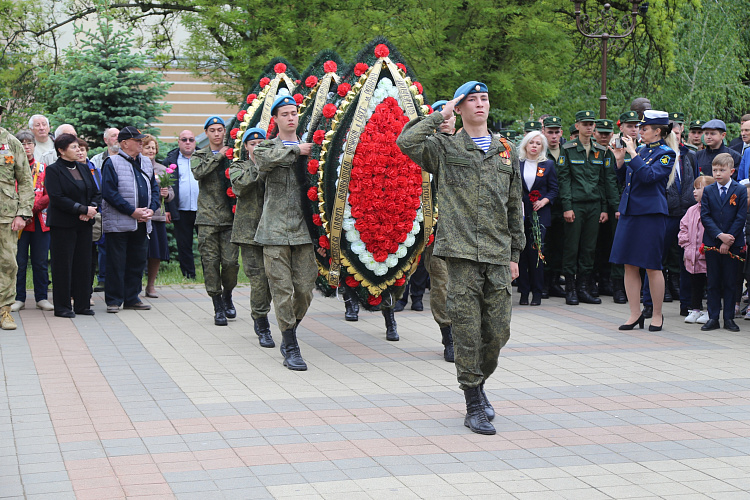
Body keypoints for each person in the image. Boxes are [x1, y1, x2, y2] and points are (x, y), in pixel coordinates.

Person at [397, 81, 525, 435]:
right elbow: (405, 142)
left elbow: (516, 204)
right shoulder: (444, 147)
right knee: (467, 331)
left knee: (497, 331)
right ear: (461, 107)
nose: (480, 104)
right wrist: (442, 112)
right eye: (472, 100)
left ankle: (479, 384)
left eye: (485, 98)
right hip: (460, 253)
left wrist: (516, 252)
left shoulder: (505, 149)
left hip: (498, 253)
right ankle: (473, 401)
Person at [254, 96, 317, 371]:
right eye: (285, 114)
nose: (291, 118)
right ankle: (290, 345)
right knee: (281, 290)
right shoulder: (267, 146)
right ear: (276, 119)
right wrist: (296, 152)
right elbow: (263, 160)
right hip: (275, 230)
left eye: (294, 113)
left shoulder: (312, 146)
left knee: (304, 289)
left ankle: (290, 327)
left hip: (303, 231)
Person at [610, 110, 676, 332]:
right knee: (629, 264)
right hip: (630, 212)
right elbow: (626, 180)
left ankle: (656, 314)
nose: (639, 132)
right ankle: (634, 313)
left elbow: (649, 177)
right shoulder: (639, 150)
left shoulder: (667, 153)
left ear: (658, 131)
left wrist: (632, 155)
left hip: (650, 215)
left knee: (651, 266)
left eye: (644, 128)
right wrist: (620, 160)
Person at [557, 110, 618, 305]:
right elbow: (564, 180)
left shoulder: (601, 150)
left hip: (593, 206)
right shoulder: (567, 149)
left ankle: (584, 287)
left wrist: (603, 208)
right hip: (575, 205)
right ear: (577, 126)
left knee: (589, 249)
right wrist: (567, 206)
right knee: (572, 247)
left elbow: (603, 182)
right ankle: (571, 289)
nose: (589, 127)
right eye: (585, 124)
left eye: (591, 124)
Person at [101, 126, 159, 313]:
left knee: (137, 261)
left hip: (142, 221)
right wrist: (131, 211)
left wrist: (151, 209)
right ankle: (114, 300)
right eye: (137, 140)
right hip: (119, 223)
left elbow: (154, 189)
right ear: (125, 143)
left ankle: (132, 298)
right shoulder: (112, 162)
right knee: (116, 263)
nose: (141, 143)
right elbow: (109, 193)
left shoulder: (146, 162)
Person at [45, 134, 100, 317]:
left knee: (83, 264)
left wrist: (91, 209)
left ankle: (82, 305)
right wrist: (82, 210)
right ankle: (62, 307)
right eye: (74, 147)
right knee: (63, 265)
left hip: (84, 224)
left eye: (79, 147)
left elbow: (95, 192)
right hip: (63, 225)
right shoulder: (54, 170)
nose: (78, 150)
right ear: (61, 150)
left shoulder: (84, 168)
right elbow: (57, 197)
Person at [191, 117, 240, 326]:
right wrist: (218, 157)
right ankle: (218, 305)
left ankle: (228, 293)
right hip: (207, 219)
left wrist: (225, 156)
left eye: (220, 130)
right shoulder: (199, 155)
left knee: (230, 263)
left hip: (229, 219)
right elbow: (199, 173)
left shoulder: (233, 154)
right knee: (210, 264)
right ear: (207, 133)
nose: (217, 134)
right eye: (213, 130)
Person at [229, 127, 274, 347]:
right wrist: (260, 164)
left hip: (273, 231)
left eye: (261, 143)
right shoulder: (239, 166)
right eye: (252, 143)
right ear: (246, 147)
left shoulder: (274, 165)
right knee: (259, 279)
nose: (257, 147)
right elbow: (240, 186)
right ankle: (261, 321)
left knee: (275, 279)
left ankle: (267, 315)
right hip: (249, 233)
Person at [699, 153, 747, 332]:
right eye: (715, 170)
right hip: (713, 241)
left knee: (730, 281)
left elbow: (740, 217)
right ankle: (713, 317)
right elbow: (705, 216)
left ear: (732, 171)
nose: (717, 173)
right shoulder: (709, 190)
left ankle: (728, 318)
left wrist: (729, 239)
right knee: (712, 281)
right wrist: (720, 236)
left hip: (733, 243)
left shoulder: (740, 190)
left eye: (722, 170)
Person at [0, 103, 34, 329]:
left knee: (8, 263)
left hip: (6, 216)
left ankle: (4, 311)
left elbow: (25, 181)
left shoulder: (11, 143)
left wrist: (23, 213)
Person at [11, 130, 52, 312]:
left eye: (29, 143)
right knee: (18, 262)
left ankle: (41, 297)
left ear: (34, 146)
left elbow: (50, 194)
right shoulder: (10, 167)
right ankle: (18, 297)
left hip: (39, 222)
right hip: (18, 223)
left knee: (40, 261)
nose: (26, 147)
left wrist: (31, 209)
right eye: (22, 143)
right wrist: (22, 212)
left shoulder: (43, 168)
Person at [517, 130, 557, 306]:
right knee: (522, 255)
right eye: (531, 142)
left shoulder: (547, 165)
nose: (534, 146)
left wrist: (544, 201)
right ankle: (524, 292)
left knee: (537, 254)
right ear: (526, 144)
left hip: (539, 214)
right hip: (520, 214)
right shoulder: (517, 163)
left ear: (542, 147)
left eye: (538, 143)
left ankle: (538, 292)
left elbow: (554, 189)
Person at [141, 134, 174, 298]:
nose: (151, 150)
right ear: (141, 148)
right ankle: (135, 285)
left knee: (156, 253)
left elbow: (171, 195)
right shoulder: (137, 166)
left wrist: (166, 194)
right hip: (140, 216)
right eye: (147, 147)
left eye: (153, 148)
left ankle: (151, 285)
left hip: (157, 217)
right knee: (139, 253)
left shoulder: (162, 169)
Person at [680, 176, 715, 324]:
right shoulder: (691, 210)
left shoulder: (713, 210)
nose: (694, 191)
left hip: (707, 255)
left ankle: (710, 311)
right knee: (695, 283)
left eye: (698, 188)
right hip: (692, 255)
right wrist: (687, 245)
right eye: (694, 188)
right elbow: (683, 228)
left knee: (711, 284)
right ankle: (695, 309)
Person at [165, 130, 199, 279]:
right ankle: (188, 275)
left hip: (202, 210)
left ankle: (210, 276)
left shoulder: (203, 158)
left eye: (191, 139)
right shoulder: (170, 161)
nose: (187, 142)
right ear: (178, 142)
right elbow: (165, 188)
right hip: (180, 209)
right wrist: (167, 209)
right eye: (184, 139)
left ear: (195, 142)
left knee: (206, 245)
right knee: (184, 245)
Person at [541, 116, 566, 299]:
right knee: (544, 245)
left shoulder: (566, 152)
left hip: (562, 205)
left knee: (559, 246)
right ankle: (543, 282)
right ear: (544, 132)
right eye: (550, 132)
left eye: (557, 132)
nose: (554, 136)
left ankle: (555, 281)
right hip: (544, 205)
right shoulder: (539, 152)